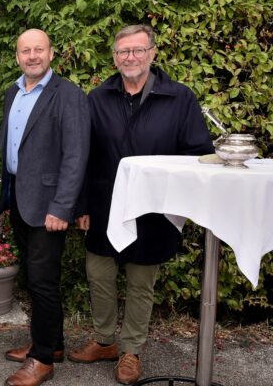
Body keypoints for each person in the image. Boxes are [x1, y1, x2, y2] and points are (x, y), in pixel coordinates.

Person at [71, 24, 213, 385]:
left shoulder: (179, 98)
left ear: (152, 53)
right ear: (115, 58)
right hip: (104, 203)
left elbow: (198, 153)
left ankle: (130, 349)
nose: (130, 57)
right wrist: (82, 204)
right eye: (123, 52)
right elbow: (82, 155)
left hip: (154, 208)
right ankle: (104, 340)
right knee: (99, 276)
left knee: (140, 281)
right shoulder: (97, 97)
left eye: (137, 50)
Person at [0, 29, 90, 386]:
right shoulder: (13, 92)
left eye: (38, 49)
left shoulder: (68, 96)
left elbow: (76, 156)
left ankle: (42, 361)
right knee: (36, 279)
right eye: (25, 50)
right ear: (18, 56)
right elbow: (15, 149)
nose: (31, 56)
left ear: (51, 54)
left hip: (49, 206)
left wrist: (62, 207)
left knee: (42, 281)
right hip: (21, 200)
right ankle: (50, 344)